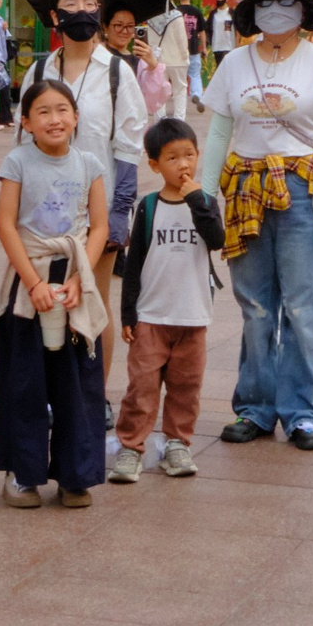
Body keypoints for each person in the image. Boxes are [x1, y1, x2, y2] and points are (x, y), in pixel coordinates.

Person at [201, 0, 313, 450]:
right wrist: (204, 197)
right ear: (252, 11)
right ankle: (255, 408)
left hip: (305, 190)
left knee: (304, 308)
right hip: (244, 188)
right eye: (266, 2)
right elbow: (219, 134)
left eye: (287, 1)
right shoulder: (233, 65)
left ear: (303, 11)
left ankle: (305, 413)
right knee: (255, 307)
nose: (276, 9)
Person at [0, 77, 108, 507]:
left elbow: (100, 227)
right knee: (25, 379)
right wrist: (34, 283)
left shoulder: (90, 163)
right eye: (43, 112)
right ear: (26, 122)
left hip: (75, 277)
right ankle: (23, 472)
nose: (54, 119)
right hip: (29, 277)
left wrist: (80, 278)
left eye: (62, 110)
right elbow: (5, 225)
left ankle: (76, 474)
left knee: (78, 380)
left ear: (76, 117)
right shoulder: (17, 161)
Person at [22, 0, 148, 382]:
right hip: (44, 212)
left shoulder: (116, 72)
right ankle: (53, 391)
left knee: (94, 300)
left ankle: (95, 395)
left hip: (98, 208)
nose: (82, 11)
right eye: (71, 4)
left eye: (90, 3)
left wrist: (119, 211)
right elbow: (24, 141)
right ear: (55, 16)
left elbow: (128, 144)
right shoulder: (40, 69)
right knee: (47, 298)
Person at [108, 116, 222, 484]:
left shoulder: (205, 200)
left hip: (192, 316)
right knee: (141, 387)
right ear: (155, 164)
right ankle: (131, 447)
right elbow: (135, 261)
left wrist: (197, 202)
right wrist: (128, 313)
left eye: (189, 155)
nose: (183, 164)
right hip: (151, 316)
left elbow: (216, 239)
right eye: (173, 158)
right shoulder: (149, 206)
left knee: (186, 387)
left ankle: (177, 443)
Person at [152, 0, 193, 121]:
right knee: (180, 91)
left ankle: (160, 122)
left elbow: (150, 40)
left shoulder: (152, 16)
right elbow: (182, 41)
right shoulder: (176, 15)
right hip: (177, 60)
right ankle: (179, 121)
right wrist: (185, 56)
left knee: (159, 92)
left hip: (157, 60)